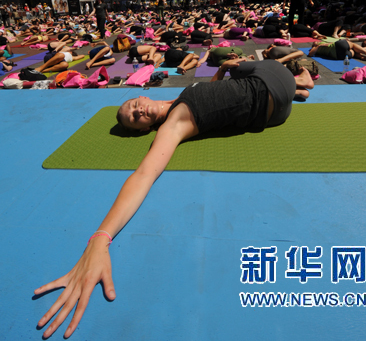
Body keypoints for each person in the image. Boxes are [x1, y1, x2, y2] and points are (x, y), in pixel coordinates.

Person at [35, 58, 297, 338]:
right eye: (134, 118)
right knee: (240, 67)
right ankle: (300, 82)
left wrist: (220, 71)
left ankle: (300, 84)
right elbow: (144, 174)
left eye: (133, 105)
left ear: (141, 95)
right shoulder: (173, 124)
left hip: (274, 103)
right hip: (268, 88)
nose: (137, 111)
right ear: (144, 129)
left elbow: (213, 97)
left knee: (232, 65)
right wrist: (100, 239)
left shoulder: (181, 98)